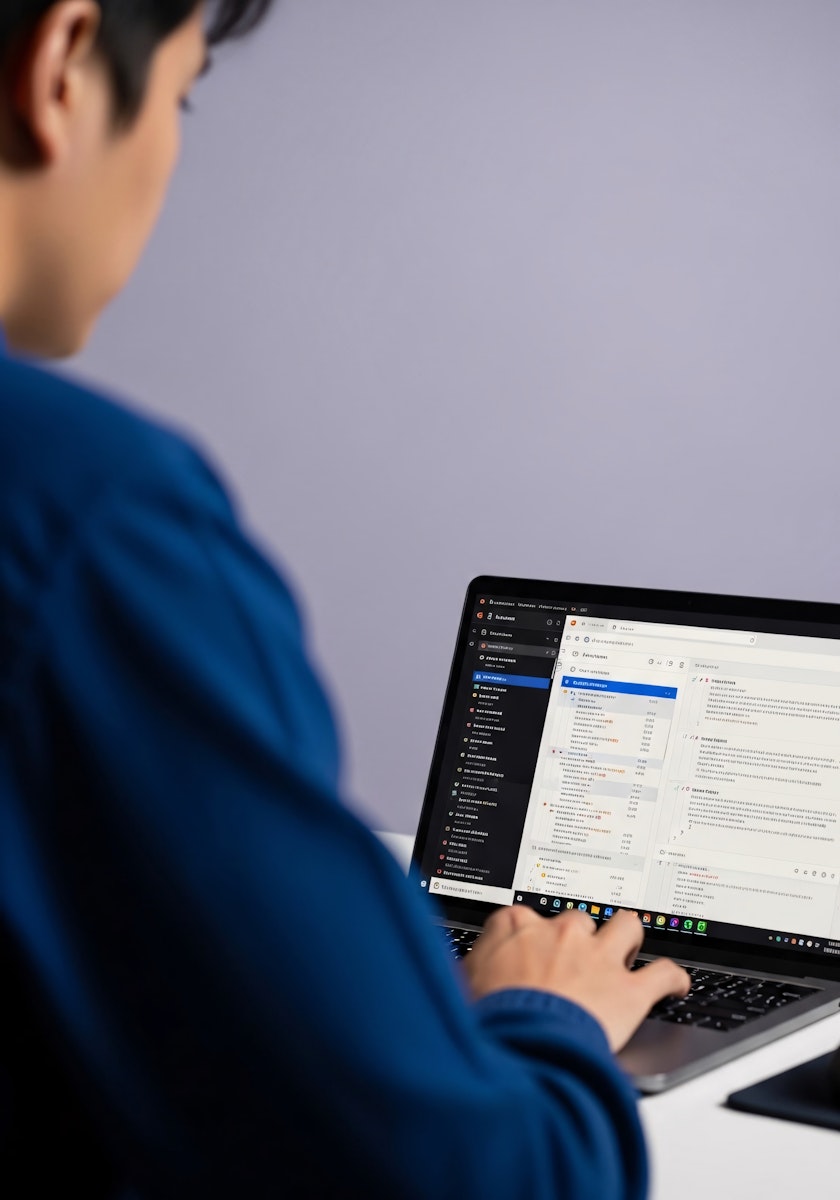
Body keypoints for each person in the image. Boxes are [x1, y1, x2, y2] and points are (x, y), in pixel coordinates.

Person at [0, 2, 690, 1196]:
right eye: (181, 95)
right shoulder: (84, 513)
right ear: (62, 66)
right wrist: (544, 1016)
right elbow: (471, 1180)